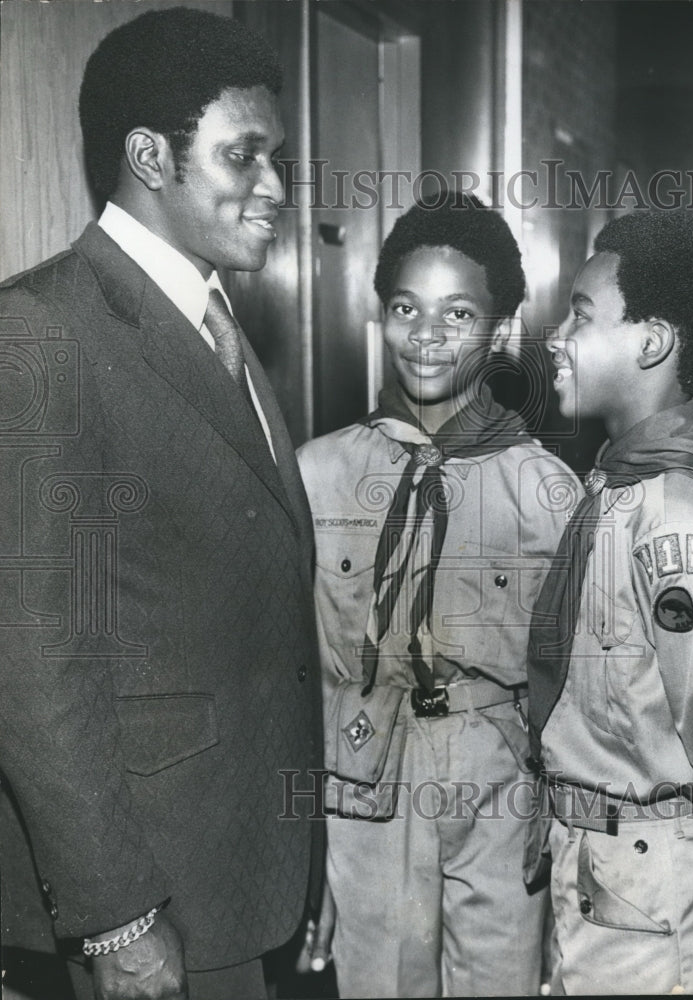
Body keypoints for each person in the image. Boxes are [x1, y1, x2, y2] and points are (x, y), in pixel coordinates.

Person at [0, 8, 322, 1000]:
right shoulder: (45, 328)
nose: (274, 189)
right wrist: (115, 914)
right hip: (149, 897)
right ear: (149, 155)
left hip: (241, 877)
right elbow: (36, 653)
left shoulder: (216, 320)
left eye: (278, 159)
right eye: (242, 157)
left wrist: (305, 861)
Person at [297, 196, 579, 997]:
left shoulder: (545, 490)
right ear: (380, 318)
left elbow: (580, 692)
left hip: (499, 787)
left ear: (498, 330)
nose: (426, 336)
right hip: (365, 780)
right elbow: (296, 675)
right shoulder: (317, 474)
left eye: (457, 312)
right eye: (404, 309)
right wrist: (310, 848)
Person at [527, 210, 693, 994]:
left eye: (582, 314)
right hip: (595, 886)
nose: (557, 337)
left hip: (652, 916)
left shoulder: (679, 522)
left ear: (652, 341)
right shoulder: (619, 486)